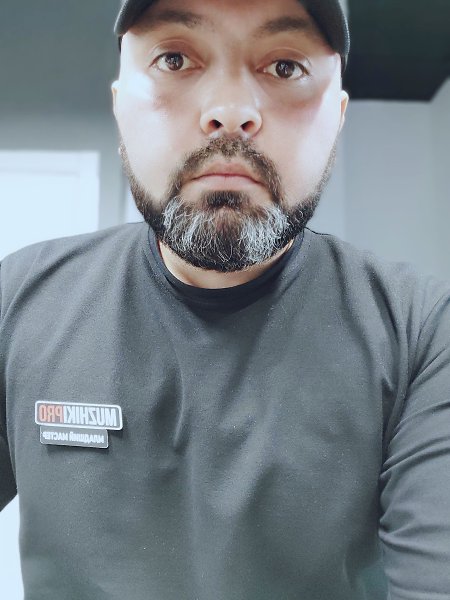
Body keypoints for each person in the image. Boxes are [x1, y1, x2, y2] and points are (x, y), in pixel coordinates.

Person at [1, 0, 449, 598]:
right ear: (119, 103)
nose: (230, 112)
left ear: (338, 117)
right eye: (174, 59)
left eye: (285, 67)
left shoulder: (422, 331)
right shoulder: (16, 303)